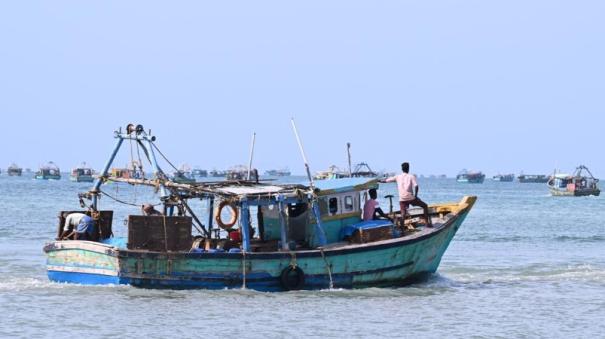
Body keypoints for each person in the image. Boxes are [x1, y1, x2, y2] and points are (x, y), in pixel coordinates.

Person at [382, 162, 432, 227]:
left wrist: (378, 181)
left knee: (403, 214)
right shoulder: (411, 176)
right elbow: (416, 186)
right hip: (410, 198)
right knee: (425, 206)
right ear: (408, 168)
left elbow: (386, 181)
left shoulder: (397, 177)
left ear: (402, 169)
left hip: (402, 199)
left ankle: (402, 231)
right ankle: (427, 223)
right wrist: (416, 196)